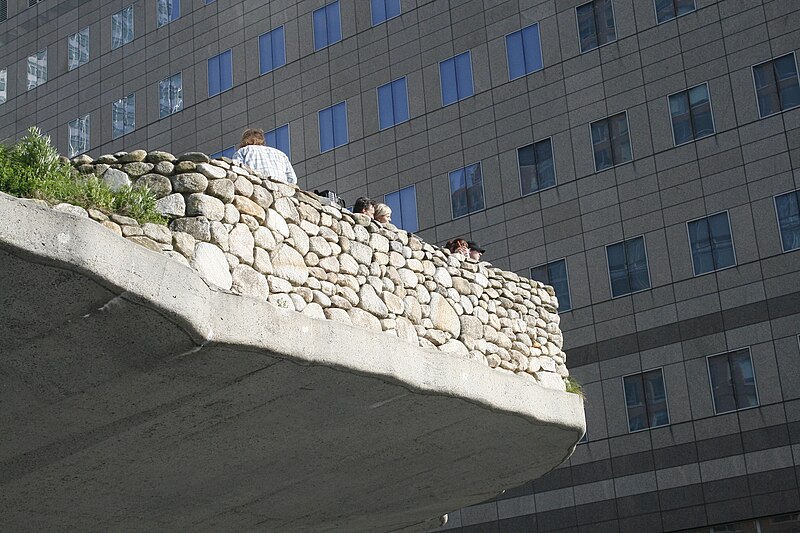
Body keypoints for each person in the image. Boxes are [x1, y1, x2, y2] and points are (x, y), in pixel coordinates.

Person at [232, 128, 297, 185]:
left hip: (257, 186)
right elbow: (292, 179)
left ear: (245, 140)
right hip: (282, 191)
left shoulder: (243, 151)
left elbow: (235, 170)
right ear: (262, 140)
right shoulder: (281, 155)